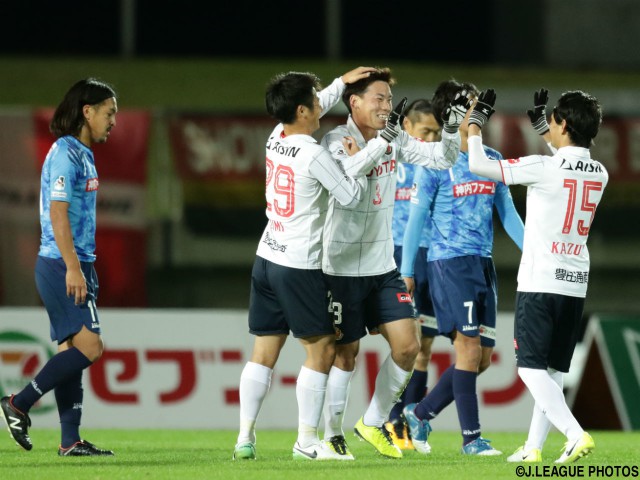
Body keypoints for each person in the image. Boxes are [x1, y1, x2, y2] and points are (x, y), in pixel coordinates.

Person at [232, 66, 403, 461]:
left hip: (266, 255)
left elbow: (313, 102)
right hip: (297, 263)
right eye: (315, 101)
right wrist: (379, 146)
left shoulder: (277, 136)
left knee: (263, 352)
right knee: (324, 348)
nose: (321, 105)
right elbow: (348, 193)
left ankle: (245, 437)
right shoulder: (314, 153)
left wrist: (342, 82)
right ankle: (307, 442)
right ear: (303, 110)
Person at [320, 68, 468, 459]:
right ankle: (332, 434)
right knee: (345, 354)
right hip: (341, 266)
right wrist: (380, 144)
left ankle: (371, 421)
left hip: (382, 265)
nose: (386, 106)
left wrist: (451, 127)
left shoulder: (395, 138)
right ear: (354, 102)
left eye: (389, 100)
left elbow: (442, 158)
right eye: (379, 99)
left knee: (408, 345)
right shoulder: (335, 139)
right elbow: (345, 177)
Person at [467, 88, 608, 463]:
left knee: (529, 369)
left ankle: (575, 434)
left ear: (563, 124)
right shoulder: (601, 171)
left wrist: (477, 122)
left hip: (541, 279)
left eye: (555, 121)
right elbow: (567, 161)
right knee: (553, 369)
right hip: (575, 280)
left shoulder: (543, 167)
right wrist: (546, 128)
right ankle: (533, 448)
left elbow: (479, 165)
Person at [401, 79, 524, 456]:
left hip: (482, 264)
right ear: (451, 114)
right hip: (448, 264)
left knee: (483, 359)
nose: (478, 112)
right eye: (469, 105)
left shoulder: (491, 159)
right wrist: (407, 271)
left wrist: (537, 252)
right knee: (468, 350)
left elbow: (509, 215)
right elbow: (416, 221)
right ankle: (472, 439)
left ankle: (419, 413)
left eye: (479, 105)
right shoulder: (436, 163)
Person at [0, 78, 118, 456]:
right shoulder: (66, 152)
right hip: (61, 263)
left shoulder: (83, 152)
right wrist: (72, 267)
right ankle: (19, 402)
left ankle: (70, 441)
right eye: (109, 112)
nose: (113, 120)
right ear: (88, 111)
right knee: (91, 347)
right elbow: (58, 213)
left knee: (72, 352)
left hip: (77, 261)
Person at [384, 99, 442, 450]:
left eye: (436, 132)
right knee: (405, 343)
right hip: (397, 254)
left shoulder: (437, 161)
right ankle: (390, 417)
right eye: (426, 131)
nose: (432, 138)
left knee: (426, 346)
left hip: (434, 253)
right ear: (406, 126)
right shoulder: (388, 155)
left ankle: (406, 418)